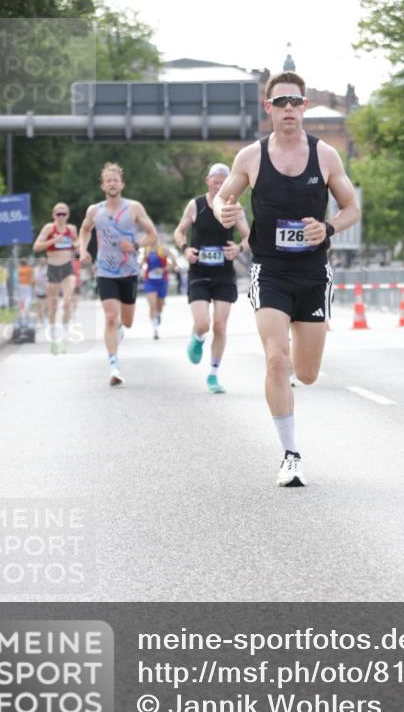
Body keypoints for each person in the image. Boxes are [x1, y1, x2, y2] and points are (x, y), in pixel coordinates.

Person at [213, 71, 360, 487]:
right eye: (281, 103)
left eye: (296, 101)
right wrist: (226, 210)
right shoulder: (251, 157)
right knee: (277, 357)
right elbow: (223, 198)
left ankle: (297, 355)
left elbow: (351, 208)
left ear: (305, 106)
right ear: (269, 108)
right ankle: (290, 454)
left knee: (308, 373)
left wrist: (328, 228)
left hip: (313, 273)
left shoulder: (326, 155)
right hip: (270, 270)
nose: (289, 109)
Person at [78, 162, 157, 387]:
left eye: (115, 180)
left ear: (122, 184)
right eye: (108, 180)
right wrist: (83, 250)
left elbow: (152, 235)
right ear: (103, 185)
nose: (112, 183)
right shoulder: (95, 210)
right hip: (105, 271)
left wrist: (135, 244)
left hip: (129, 271)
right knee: (110, 317)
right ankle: (114, 366)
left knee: (127, 321)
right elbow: (84, 230)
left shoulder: (133, 208)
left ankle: (121, 328)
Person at [173, 164, 250, 393]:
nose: (219, 185)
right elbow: (179, 232)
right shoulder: (196, 205)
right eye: (215, 181)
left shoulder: (234, 208)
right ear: (208, 181)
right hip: (199, 272)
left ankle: (213, 375)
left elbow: (249, 237)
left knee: (220, 325)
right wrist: (186, 249)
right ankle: (197, 338)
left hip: (224, 274)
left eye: (223, 182)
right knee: (203, 323)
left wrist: (238, 248)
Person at [33, 203, 79, 354]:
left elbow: (78, 247)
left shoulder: (71, 229)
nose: (61, 217)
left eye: (63, 214)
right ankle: (53, 339)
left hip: (67, 268)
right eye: (58, 214)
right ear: (53, 215)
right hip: (52, 269)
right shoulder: (48, 228)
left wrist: (78, 247)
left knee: (67, 303)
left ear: (67, 215)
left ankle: (64, 337)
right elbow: (36, 247)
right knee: (52, 308)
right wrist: (53, 241)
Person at [142, 241, 177, 339]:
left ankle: (158, 314)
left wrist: (163, 270)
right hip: (149, 281)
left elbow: (174, 263)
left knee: (160, 305)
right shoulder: (146, 250)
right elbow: (142, 263)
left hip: (162, 281)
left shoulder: (164, 250)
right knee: (152, 304)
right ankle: (155, 330)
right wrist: (141, 266)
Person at [34, 258, 48, 324]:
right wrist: (36, 288)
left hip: (45, 289)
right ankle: (40, 320)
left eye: (44, 261)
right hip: (38, 289)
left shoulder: (46, 269)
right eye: (42, 261)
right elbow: (35, 279)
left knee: (44, 305)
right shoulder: (36, 269)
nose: (43, 262)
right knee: (39, 306)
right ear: (39, 261)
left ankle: (42, 319)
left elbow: (48, 279)